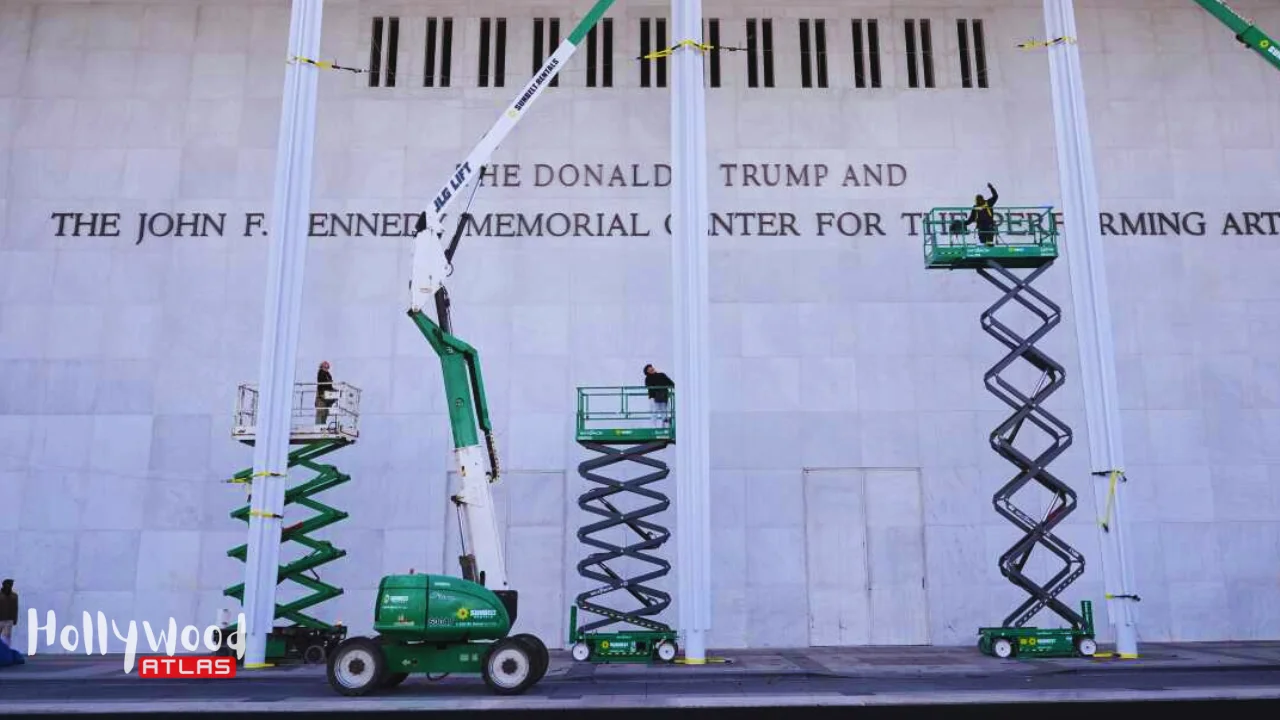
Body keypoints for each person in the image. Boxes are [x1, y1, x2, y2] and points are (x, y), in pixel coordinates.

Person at [315, 361, 335, 426]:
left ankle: (322, 426)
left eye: (327, 367)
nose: (326, 368)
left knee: (325, 412)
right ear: (322, 367)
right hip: (322, 395)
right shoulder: (321, 373)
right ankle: (318, 427)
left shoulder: (328, 374)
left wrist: (334, 391)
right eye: (325, 367)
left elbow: (329, 385)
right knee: (320, 412)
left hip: (327, 395)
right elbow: (323, 384)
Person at [0, 579, 17, 646]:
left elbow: (15, 608)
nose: (10, 586)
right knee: (6, 638)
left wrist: (15, 619)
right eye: (9, 584)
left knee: (6, 638)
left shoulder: (14, 596)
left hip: (9, 619)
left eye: (11, 585)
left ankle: (6, 652)